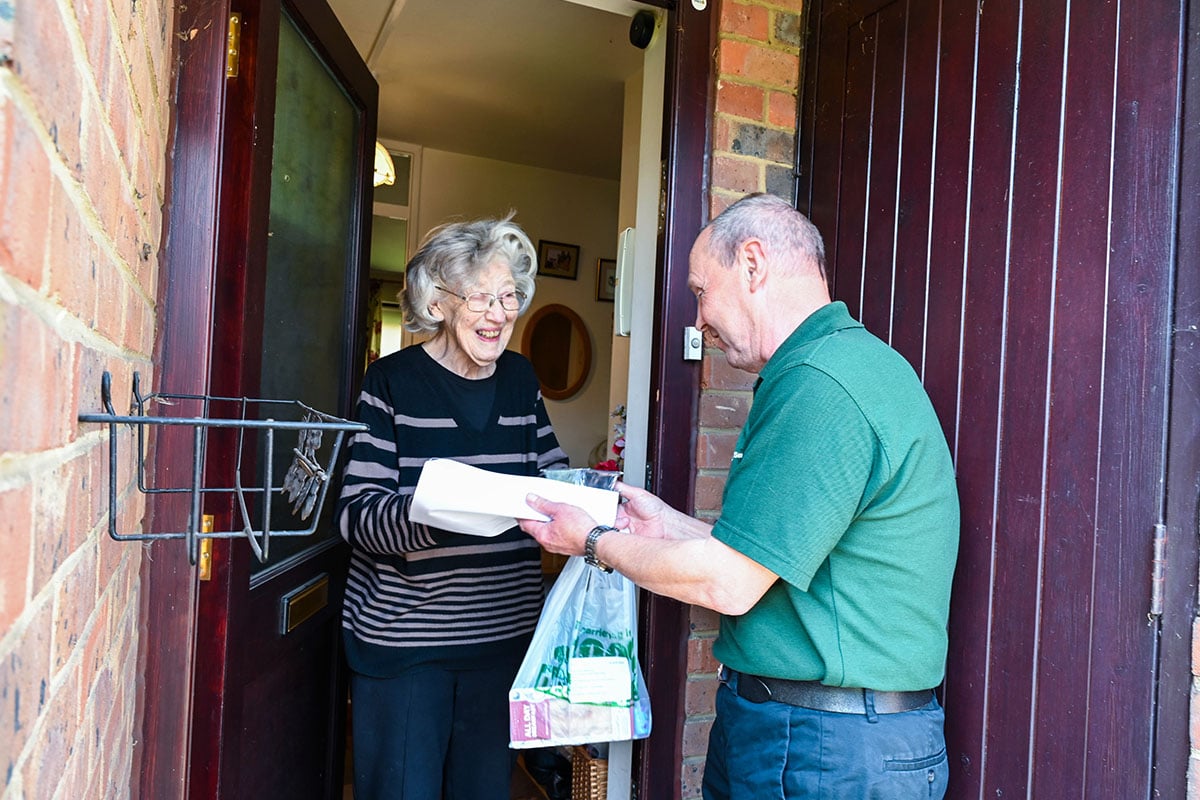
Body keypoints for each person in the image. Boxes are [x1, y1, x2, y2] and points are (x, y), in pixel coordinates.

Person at [519, 193, 960, 799]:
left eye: (701, 291)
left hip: (827, 747)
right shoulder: (834, 366)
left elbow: (728, 582)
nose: (698, 319)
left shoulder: (821, 385)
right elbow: (766, 556)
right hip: (815, 734)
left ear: (752, 264)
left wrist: (593, 540)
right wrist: (665, 524)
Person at [337, 213, 568, 800]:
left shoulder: (520, 379)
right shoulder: (390, 382)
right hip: (407, 647)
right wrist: (443, 509)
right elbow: (357, 515)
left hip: (503, 640)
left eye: (509, 296)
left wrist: (591, 499)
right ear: (437, 302)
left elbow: (552, 479)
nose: (499, 313)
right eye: (481, 297)